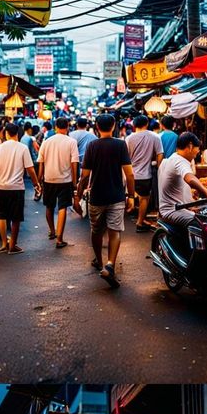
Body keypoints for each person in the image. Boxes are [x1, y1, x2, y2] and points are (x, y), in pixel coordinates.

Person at [78, 113, 135, 287]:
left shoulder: (92, 146)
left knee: (96, 230)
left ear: (96, 126)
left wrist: (77, 195)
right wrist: (131, 196)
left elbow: (85, 176)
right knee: (114, 231)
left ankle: (100, 261)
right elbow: (130, 174)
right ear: (113, 126)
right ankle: (110, 264)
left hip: (96, 196)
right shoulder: (120, 145)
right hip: (116, 196)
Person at [0, 122, 39, 255]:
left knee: (1, 216)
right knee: (16, 218)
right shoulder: (22, 148)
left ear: (6, 133)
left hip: (1, 187)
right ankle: (12, 245)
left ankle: (3, 244)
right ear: (17, 133)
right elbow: (30, 169)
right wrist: (36, 184)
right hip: (17, 188)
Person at [157, 131, 207, 236]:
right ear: (190, 146)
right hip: (172, 211)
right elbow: (190, 179)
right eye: (197, 148)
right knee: (202, 225)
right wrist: (206, 193)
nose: (198, 152)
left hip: (171, 208)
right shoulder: (180, 160)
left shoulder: (171, 158)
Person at [37, 116, 79, 248]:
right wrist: (74, 181)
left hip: (48, 179)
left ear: (55, 127)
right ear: (67, 127)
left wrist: (39, 180)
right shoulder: (71, 142)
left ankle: (52, 231)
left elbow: (41, 163)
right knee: (62, 207)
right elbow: (74, 164)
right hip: (65, 180)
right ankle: (59, 238)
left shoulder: (46, 142)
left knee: (49, 206)